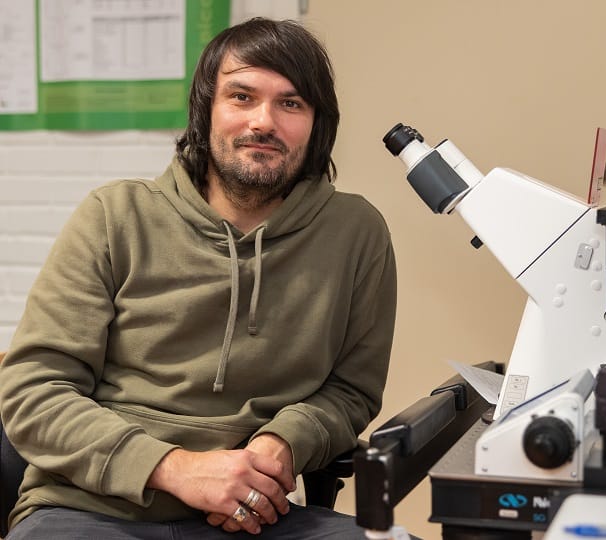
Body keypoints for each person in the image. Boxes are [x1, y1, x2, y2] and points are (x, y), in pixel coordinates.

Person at [0, 17, 397, 540]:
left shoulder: (356, 232)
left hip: (258, 516)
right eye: (241, 96)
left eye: (291, 103)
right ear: (206, 110)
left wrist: (282, 444)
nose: (264, 121)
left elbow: (351, 390)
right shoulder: (114, 215)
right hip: (90, 510)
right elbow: (35, 391)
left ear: (317, 123)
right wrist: (178, 469)